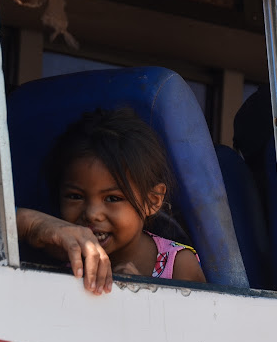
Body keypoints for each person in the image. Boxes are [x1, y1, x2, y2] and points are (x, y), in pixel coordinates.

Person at [16, 108, 206, 295]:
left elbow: (201, 324)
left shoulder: (178, 266)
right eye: (75, 196)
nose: (92, 213)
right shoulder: (56, 252)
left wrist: (145, 299)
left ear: (152, 201)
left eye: (113, 198)